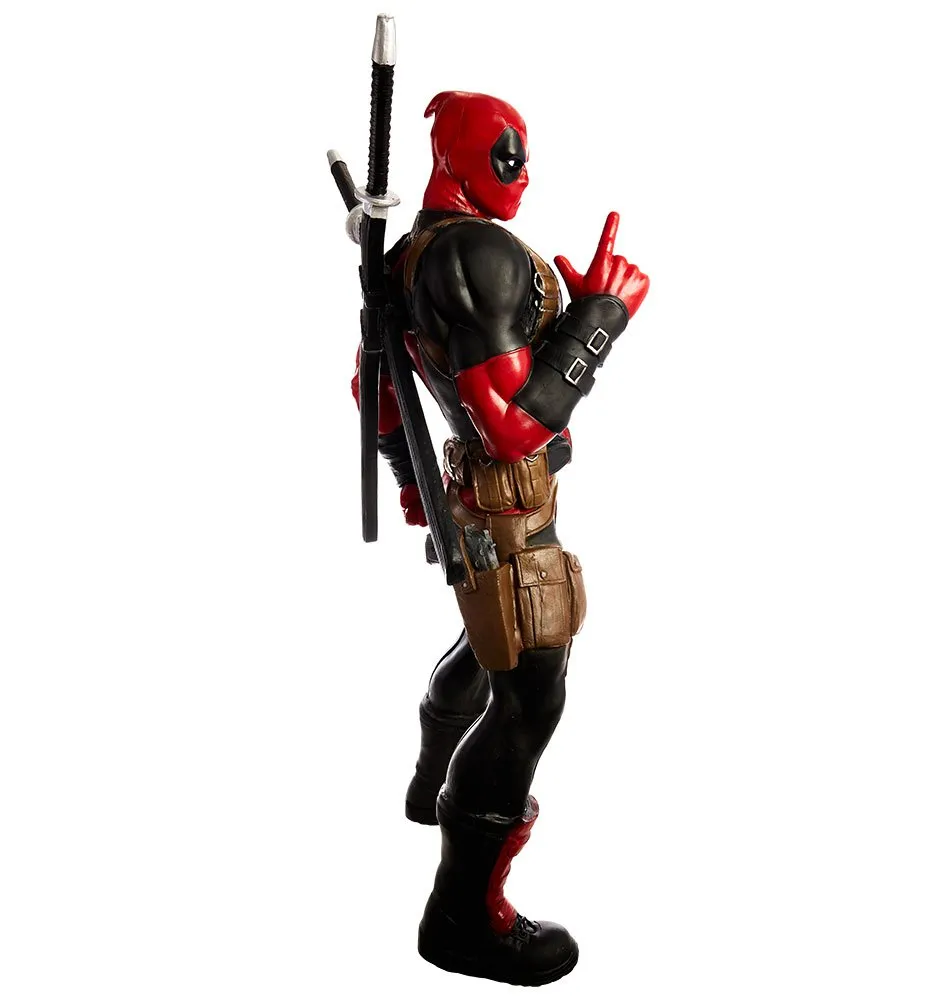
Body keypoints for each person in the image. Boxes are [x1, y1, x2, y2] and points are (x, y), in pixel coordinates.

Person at [352, 90, 649, 986]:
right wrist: (601, 317)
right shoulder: (476, 255)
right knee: (531, 693)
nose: (523, 171)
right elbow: (516, 427)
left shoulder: (413, 256)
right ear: (455, 158)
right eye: (507, 153)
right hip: (508, 504)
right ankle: (460, 918)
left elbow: (374, 386)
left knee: (490, 647)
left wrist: (413, 482)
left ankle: (429, 780)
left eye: (523, 153)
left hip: (474, 501)